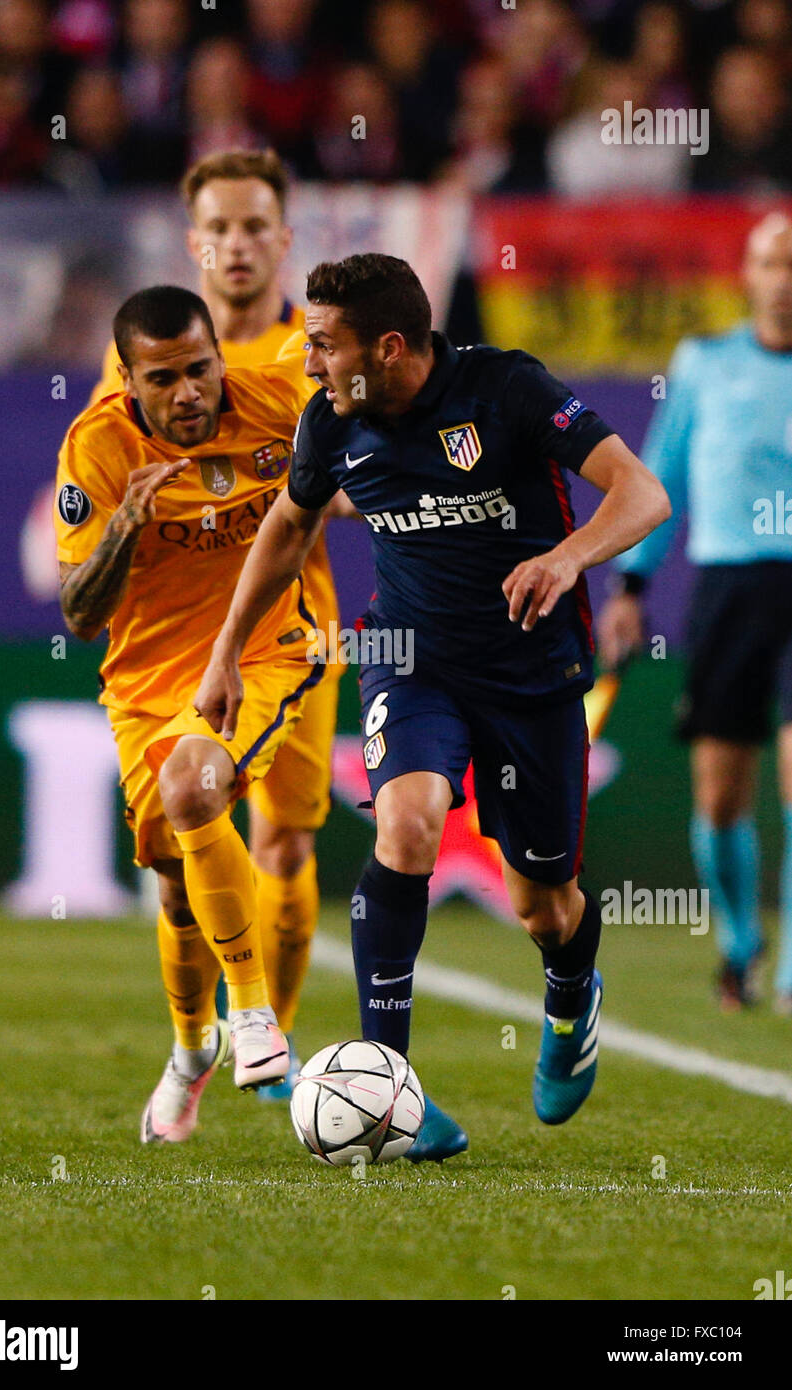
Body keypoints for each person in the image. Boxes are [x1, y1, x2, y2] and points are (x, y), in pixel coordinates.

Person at [193, 253, 670, 1142]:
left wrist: (566, 558)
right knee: (406, 824)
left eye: (325, 345)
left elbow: (643, 494)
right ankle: (391, 1092)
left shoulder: (507, 391)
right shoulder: (329, 423)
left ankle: (570, 998)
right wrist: (224, 653)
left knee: (544, 906)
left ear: (387, 346)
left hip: (532, 677)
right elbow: (288, 527)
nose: (309, 363)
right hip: (408, 659)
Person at [92, 149, 342, 1102]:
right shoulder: (138, 363)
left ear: (283, 241)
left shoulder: (306, 356)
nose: (237, 245)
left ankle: (265, 1049)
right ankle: (200, 1039)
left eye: (254, 227)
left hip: (288, 628)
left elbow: (356, 477)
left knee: (283, 840)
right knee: (179, 848)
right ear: (194, 243)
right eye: (220, 228)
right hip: (165, 644)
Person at [56, 285, 321, 1141]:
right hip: (144, 684)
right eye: (163, 379)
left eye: (200, 369)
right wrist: (123, 526)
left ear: (218, 356)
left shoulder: (280, 400)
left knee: (195, 783)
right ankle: (189, 1050)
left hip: (261, 655)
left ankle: (251, 1013)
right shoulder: (97, 445)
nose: (189, 393)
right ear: (129, 380)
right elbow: (80, 615)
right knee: (175, 893)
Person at [600, 213, 792, 1014]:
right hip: (729, 590)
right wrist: (632, 587)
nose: (783, 280)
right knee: (718, 797)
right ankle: (741, 946)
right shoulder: (704, 363)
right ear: (747, 277)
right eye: (769, 265)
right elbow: (661, 473)